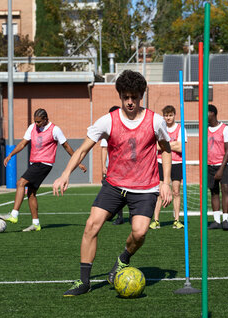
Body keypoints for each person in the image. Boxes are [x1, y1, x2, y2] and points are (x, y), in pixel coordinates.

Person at [52, 70, 172, 297]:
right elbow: (83, 149)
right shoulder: (108, 120)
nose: (130, 102)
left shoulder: (155, 121)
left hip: (145, 187)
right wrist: (66, 173)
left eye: (134, 97)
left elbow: (165, 149)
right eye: (126, 97)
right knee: (91, 225)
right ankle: (84, 282)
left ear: (141, 96)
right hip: (114, 185)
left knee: (139, 233)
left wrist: (165, 182)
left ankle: (122, 260)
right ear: (120, 96)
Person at [0, 108, 87, 232]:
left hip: (44, 164)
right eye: (35, 121)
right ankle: (36, 224)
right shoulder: (32, 127)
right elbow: (23, 143)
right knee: (31, 193)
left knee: (20, 183)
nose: (37, 124)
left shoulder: (55, 130)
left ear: (46, 119)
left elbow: (67, 147)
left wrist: (78, 162)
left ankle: (14, 214)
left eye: (39, 122)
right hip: (35, 163)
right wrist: (11, 154)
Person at [150, 105, 187, 230]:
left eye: (170, 115)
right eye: (166, 115)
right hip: (161, 162)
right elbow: (156, 146)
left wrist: (165, 145)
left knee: (176, 191)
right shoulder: (161, 128)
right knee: (160, 192)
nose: (168, 118)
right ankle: (156, 220)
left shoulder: (181, 129)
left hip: (177, 163)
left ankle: (176, 220)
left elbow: (181, 147)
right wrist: (173, 144)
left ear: (174, 115)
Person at [206, 104, 228, 231]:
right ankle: (216, 220)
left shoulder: (225, 129)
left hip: (223, 165)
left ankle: (225, 219)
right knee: (214, 192)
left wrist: (221, 169)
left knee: (225, 189)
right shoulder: (205, 130)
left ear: (212, 113)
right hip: (209, 166)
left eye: (206, 113)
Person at [100, 106, 127, 225]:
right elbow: (103, 149)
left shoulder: (127, 129)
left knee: (130, 191)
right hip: (112, 168)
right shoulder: (107, 129)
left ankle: (133, 216)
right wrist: (103, 166)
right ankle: (119, 216)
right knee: (116, 192)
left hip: (126, 167)